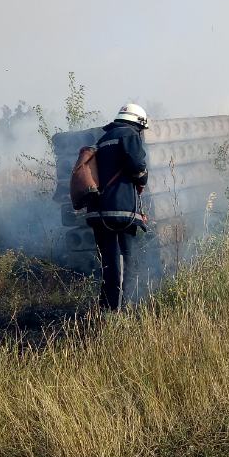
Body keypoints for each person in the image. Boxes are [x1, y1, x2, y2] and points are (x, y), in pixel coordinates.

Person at [85, 103, 150, 309]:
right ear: (138, 122)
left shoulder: (103, 139)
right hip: (119, 214)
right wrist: (143, 178)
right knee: (122, 266)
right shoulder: (129, 134)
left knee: (109, 266)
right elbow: (137, 165)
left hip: (98, 213)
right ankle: (118, 314)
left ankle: (106, 310)